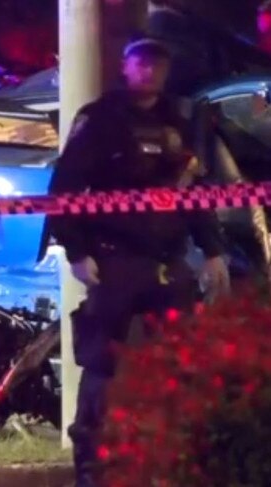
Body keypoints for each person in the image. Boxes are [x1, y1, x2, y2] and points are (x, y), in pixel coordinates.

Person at [49, 35, 230, 486]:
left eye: (157, 64)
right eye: (141, 63)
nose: (149, 72)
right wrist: (77, 252)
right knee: (101, 366)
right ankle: (91, 469)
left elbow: (193, 193)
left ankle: (172, 463)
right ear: (125, 68)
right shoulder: (101, 119)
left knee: (180, 363)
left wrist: (213, 252)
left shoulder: (178, 120)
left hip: (168, 261)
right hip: (115, 262)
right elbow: (65, 189)